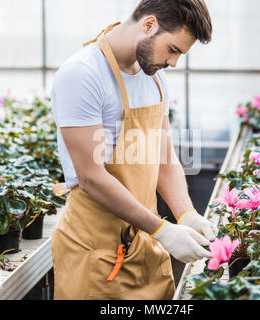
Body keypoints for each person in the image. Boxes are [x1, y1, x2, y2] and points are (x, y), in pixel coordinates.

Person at [50, 0, 216, 300]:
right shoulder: (83, 74)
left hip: (145, 247)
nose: (174, 62)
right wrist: (163, 231)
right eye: (173, 50)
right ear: (149, 25)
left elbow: (165, 157)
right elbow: (90, 177)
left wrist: (186, 213)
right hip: (95, 255)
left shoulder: (154, 77)